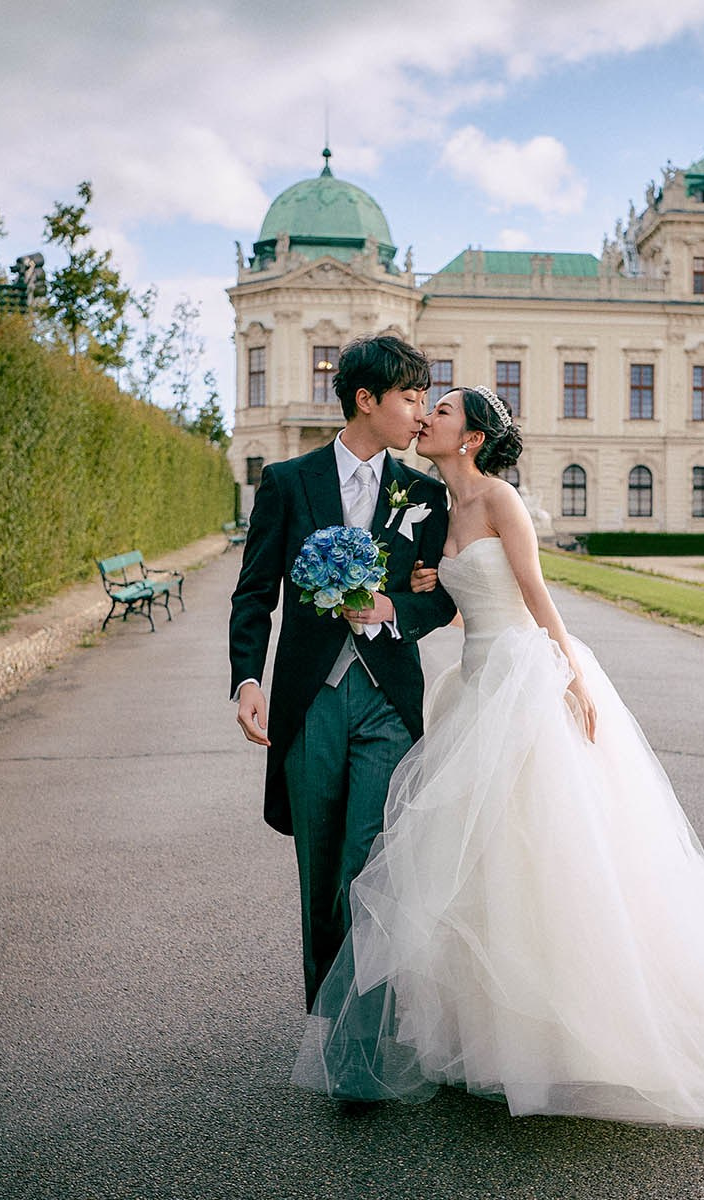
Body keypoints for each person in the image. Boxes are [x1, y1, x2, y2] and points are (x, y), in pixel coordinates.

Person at [293, 385, 704, 1135]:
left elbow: (537, 595)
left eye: (443, 411)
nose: (427, 418)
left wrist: (573, 680)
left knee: (553, 852)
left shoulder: (498, 500)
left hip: (526, 677)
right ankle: (492, 1030)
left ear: (474, 438)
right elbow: (461, 600)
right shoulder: (440, 507)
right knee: (485, 858)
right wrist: (425, 585)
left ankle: (574, 1024)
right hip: (476, 684)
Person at [228, 334, 457, 1012]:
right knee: (320, 869)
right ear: (366, 399)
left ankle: (365, 1033)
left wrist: (401, 606)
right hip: (310, 704)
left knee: (370, 866)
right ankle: (328, 1028)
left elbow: (442, 597)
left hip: (388, 700)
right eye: (411, 397)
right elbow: (253, 593)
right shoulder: (287, 483)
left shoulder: (422, 493)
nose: (422, 413)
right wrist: (246, 681)